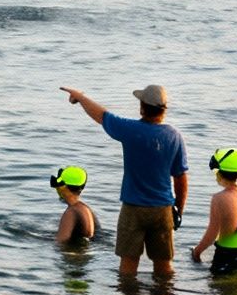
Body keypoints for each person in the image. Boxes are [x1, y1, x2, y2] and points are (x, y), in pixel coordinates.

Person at [62, 85, 189, 277]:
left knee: (128, 266)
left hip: (133, 209)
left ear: (142, 108)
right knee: (164, 266)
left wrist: (80, 97)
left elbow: (101, 115)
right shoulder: (174, 136)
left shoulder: (131, 130)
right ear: (164, 109)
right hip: (162, 209)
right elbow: (180, 179)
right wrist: (178, 210)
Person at [190, 148, 237, 275]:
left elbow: (212, 234)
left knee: (221, 291)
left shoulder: (218, 198)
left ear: (219, 174)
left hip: (226, 255)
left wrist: (197, 252)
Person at [51, 166, 97, 246]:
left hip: (73, 256)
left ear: (63, 188)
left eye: (58, 186)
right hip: (83, 254)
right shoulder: (86, 209)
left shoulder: (71, 213)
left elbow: (60, 243)